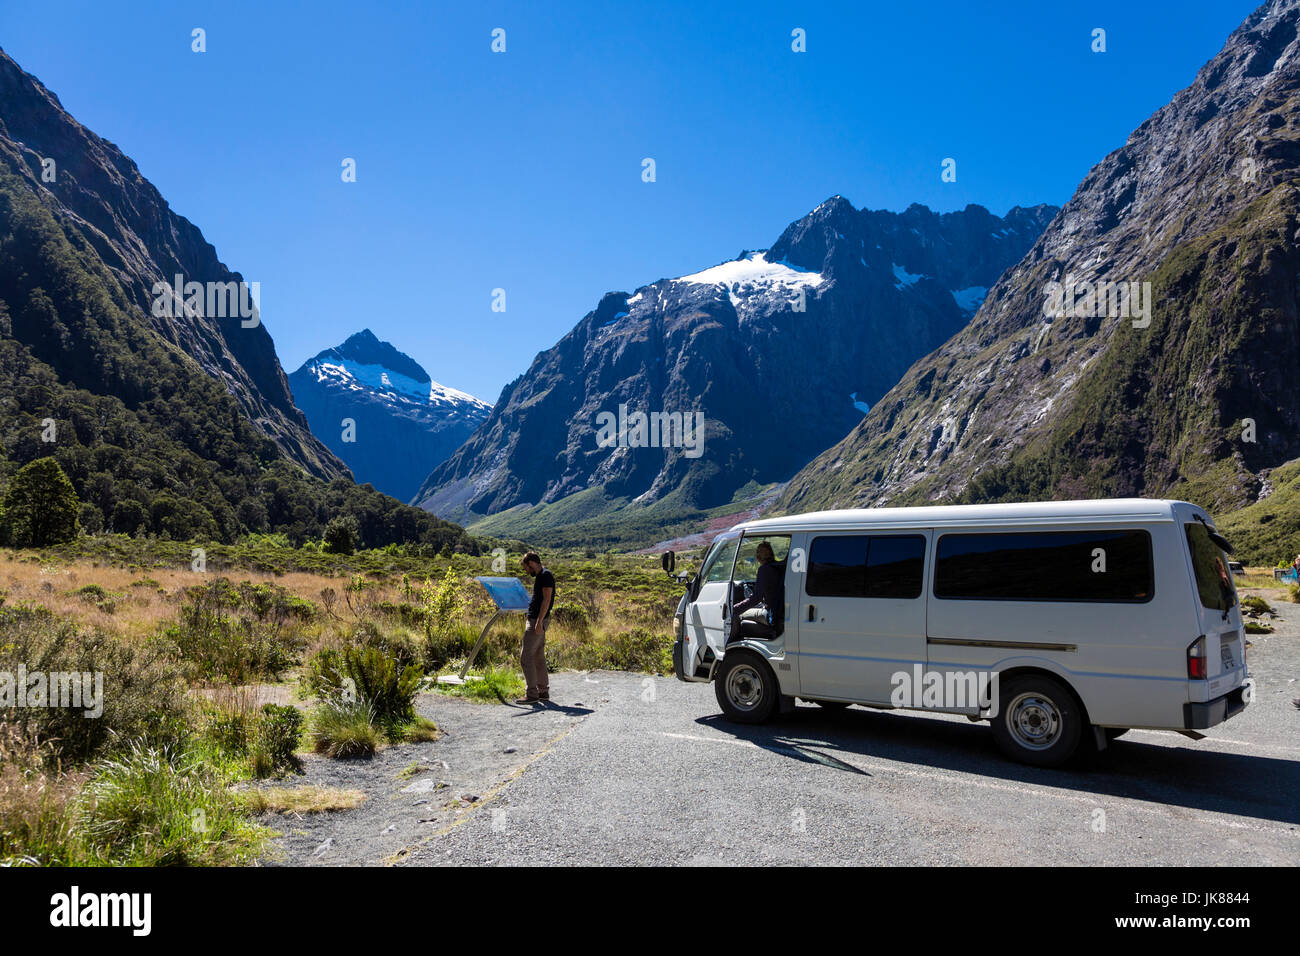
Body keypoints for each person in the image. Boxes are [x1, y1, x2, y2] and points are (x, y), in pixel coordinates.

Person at [517, 551, 555, 705]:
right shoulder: (542, 575)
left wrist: (539, 622)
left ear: (531, 563)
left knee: (525, 656)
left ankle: (532, 694)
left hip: (536, 621)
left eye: (526, 567)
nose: (526, 571)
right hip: (537, 620)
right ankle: (543, 692)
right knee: (538, 656)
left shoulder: (545, 575)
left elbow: (546, 599)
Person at [732, 541, 784, 638]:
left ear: (766, 554)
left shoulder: (764, 570)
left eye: (759, 552)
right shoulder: (778, 567)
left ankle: (734, 646)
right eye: (757, 552)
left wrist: (733, 609)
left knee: (739, 615)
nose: (757, 554)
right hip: (780, 611)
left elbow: (756, 598)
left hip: (772, 614)